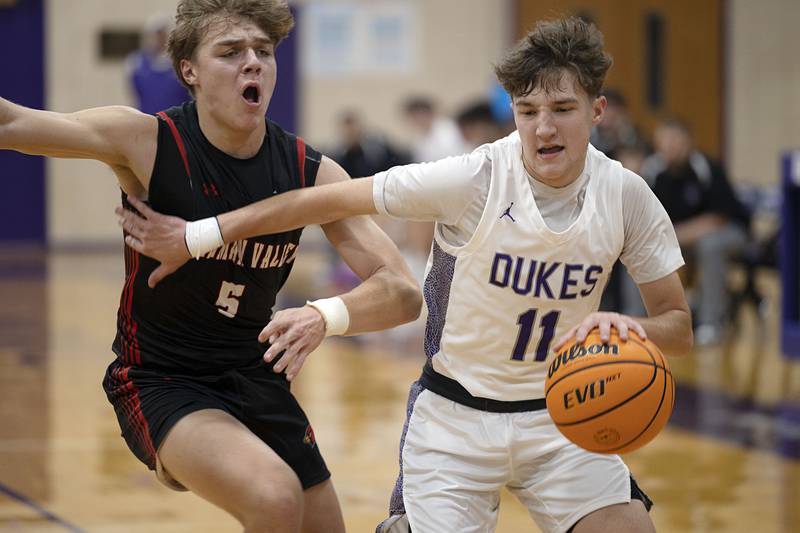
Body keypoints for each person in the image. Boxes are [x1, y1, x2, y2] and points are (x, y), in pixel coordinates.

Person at [116, 17, 693, 533]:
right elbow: (312, 202)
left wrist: (631, 329)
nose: (543, 129)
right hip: (456, 421)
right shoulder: (472, 177)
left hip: (562, 415)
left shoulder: (627, 195)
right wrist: (198, 235)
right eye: (527, 112)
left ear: (597, 110)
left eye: (562, 110)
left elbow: (677, 326)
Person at [0, 1, 422, 532]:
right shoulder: (146, 142)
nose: (253, 63)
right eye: (230, 52)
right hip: (161, 378)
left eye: (263, 52)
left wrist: (324, 314)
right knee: (274, 497)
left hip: (255, 376)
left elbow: (404, 292)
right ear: (189, 71)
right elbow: (12, 122)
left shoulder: (307, 170)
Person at [642, 118, 750, 346]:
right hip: (680, 235)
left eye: (674, 139)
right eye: (663, 140)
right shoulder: (653, 171)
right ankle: (640, 320)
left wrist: (675, 236)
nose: (669, 146)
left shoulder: (707, 168)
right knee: (638, 246)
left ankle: (711, 323)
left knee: (710, 245)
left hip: (729, 231)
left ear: (688, 142)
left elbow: (718, 218)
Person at [126, 13, 189, 114]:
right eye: (156, 34)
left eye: (162, 34)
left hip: (177, 123)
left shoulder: (181, 61)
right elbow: (134, 96)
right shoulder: (136, 63)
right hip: (148, 121)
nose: (159, 39)